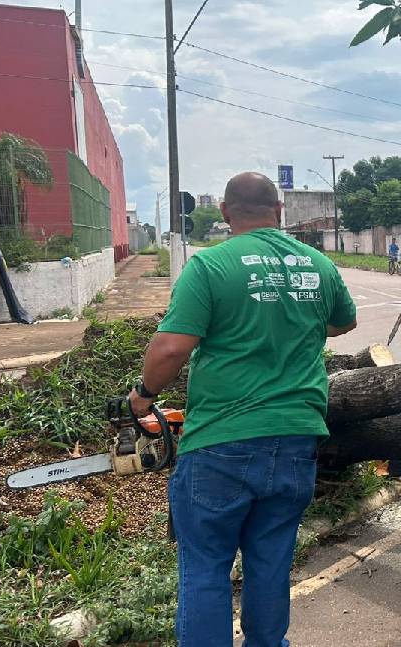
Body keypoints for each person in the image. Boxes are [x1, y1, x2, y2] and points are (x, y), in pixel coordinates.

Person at [127, 172, 358, 647]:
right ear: (279, 211)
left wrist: (142, 397)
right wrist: (292, 322)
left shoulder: (210, 265)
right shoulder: (318, 264)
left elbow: (171, 348)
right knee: (270, 565)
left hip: (220, 444)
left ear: (226, 213)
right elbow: (343, 322)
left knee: (206, 566)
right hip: (295, 441)